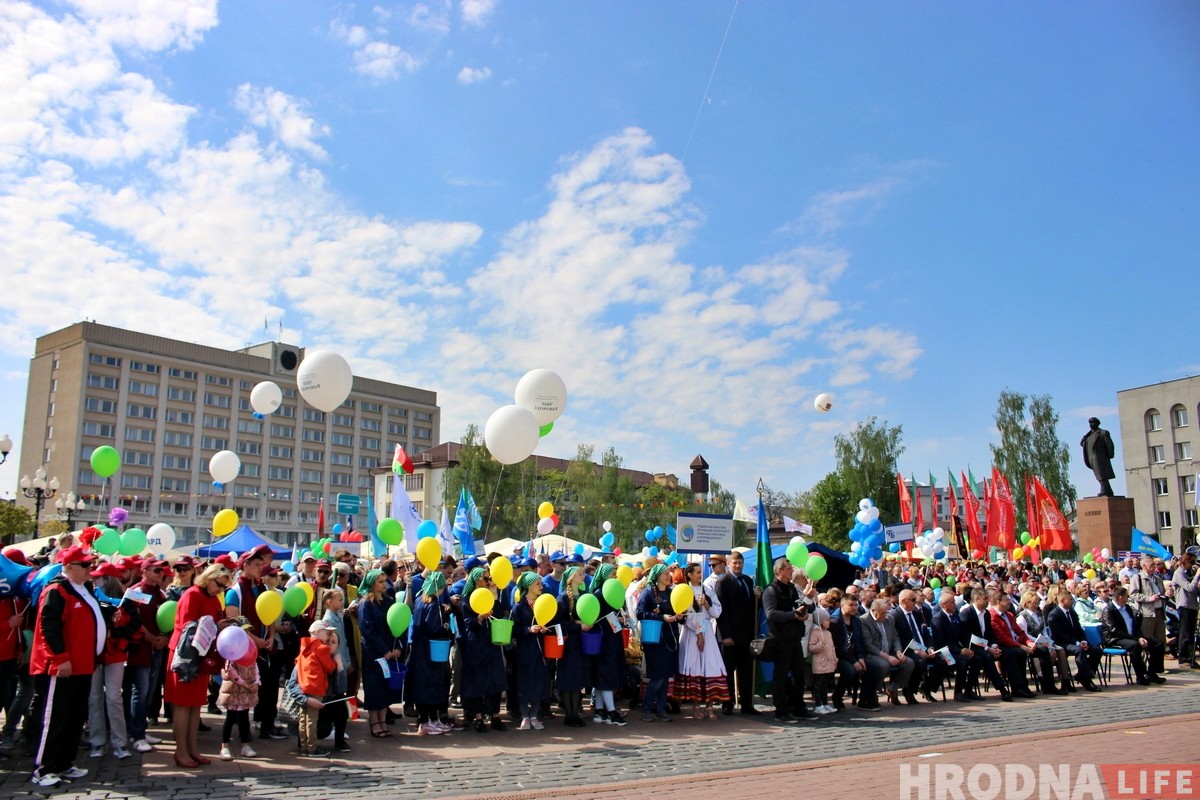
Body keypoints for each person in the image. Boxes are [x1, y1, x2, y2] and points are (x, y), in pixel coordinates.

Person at [29, 546, 106, 788]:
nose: (89, 570)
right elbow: (48, 627)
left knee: (74, 717)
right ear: (69, 567)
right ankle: (43, 767)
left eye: (90, 565)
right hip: (61, 666)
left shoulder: (84, 590)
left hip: (83, 665)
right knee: (56, 718)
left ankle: (64, 762)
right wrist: (61, 657)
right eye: (84, 566)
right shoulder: (57, 590)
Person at [165, 563, 235, 768]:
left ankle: (193, 749)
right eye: (218, 585)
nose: (220, 590)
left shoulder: (212, 598)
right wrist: (216, 626)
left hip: (202, 655)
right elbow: (188, 627)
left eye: (223, 587)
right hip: (186, 656)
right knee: (183, 704)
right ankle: (181, 751)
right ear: (208, 578)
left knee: (196, 704)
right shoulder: (192, 594)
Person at [125, 556, 168, 753]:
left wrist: (163, 638)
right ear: (144, 571)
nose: (161, 574)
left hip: (156, 648)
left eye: (161, 571)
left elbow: (167, 618)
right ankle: (137, 734)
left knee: (150, 690)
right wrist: (151, 638)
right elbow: (133, 620)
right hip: (140, 648)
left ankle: (142, 729)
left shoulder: (160, 593)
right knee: (139, 691)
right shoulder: (135, 592)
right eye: (156, 570)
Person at [675, 562, 729, 720]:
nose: (700, 574)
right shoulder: (684, 591)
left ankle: (710, 706)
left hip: (706, 629)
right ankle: (696, 706)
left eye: (701, 572)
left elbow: (717, 612)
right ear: (690, 574)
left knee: (711, 666)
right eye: (697, 572)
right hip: (692, 632)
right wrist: (698, 633)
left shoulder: (708, 590)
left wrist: (706, 604)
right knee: (694, 666)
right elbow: (686, 615)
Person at [356, 568, 403, 738]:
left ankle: (383, 720)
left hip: (390, 650)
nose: (384, 584)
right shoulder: (365, 604)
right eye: (380, 581)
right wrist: (384, 650)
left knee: (386, 687)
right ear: (372, 584)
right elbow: (367, 630)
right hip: (374, 653)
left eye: (385, 581)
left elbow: (397, 625)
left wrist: (397, 647)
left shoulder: (389, 601)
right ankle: (374, 722)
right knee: (374, 687)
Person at [460, 567, 508, 732]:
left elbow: (500, 614)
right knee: (477, 682)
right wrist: (480, 617)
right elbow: (468, 624)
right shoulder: (467, 599)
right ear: (476, 581)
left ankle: (494, 714)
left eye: (489, 578)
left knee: (495, 680)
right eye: (485, 579)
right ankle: (478, 716)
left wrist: (494, 596)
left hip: (492, 643)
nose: (488, 582)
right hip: (476, 645)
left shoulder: (491, 596)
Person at [762, 558, 810, 721]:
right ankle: (780, 709)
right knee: (781, 675)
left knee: (799, 674)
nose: (791, 572)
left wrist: (803, 611)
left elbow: (798, 604)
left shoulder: (792, 588)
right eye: (789, 569)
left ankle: (798, 706)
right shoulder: (771, 590)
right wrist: (793, 615)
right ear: (779, 571)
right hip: (780, 639)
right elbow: (771, 613)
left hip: (795, 637)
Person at [715, 551, 759, 715]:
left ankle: (747, 704)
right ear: (728, 564)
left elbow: (750, 608)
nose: (738, 566)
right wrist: (726, 635)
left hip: (746, 635)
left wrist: (757, 598)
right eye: (735, 563)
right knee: (728, 671)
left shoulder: (748, 580)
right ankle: (728, 704)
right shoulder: (723, 582)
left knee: (746, 671)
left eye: (740, 563)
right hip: (731, 636)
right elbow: (722, 612)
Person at [636, 563, 679, 723]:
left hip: (670, 638)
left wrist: (679, 617)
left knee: (666, 676)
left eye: (669, 573)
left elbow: (677, 612)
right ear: (657, 576)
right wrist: (661, 617)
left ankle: (661, 709)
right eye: (665, 574)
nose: (669, 576)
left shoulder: (671, 592)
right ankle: (647, 708)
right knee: (657, 677)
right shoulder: (648, 592)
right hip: (655, 640)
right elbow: (640, 613)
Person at [410, 571, 452, 735]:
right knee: (432, 684)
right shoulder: (433, 603)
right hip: (431, 649)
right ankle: (429, 721)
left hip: (419, 648)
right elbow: (434, 627)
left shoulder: (419, 600)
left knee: (422, 684)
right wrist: (446, 625)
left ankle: (426, 720)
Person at [588, 564, 628, 726]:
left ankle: (599, 711)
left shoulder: (615, 593)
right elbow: (595, 619)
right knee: (605, 674)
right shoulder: (598, 595)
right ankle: (612, 712)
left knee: (603, 675)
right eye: (612, 574)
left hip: (614, 637)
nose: (615, 577)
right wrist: (614, 620)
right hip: (603, 639)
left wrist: (623, 618)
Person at [1101, 585, 1165, 685]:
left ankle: (1152, 673)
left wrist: (1140, 637)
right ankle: (1140, 676)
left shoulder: (1127, 608)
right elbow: (1114, 631)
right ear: (1120, 597)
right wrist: (1136, 639)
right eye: (1126, 596)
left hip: (1132, 637)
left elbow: (1135, 625)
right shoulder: (1108, 610)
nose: (1128, 599)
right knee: (1135, 645)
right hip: (1116, 638)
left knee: (1158, 643)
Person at [511, 572, 549, 730]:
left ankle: (534, 714)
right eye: (538, 584)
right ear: (529, 587)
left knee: (538, 682)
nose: (541, 587)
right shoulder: (519, 607)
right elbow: (514, 630)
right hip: (524, 650)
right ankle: (524, 715)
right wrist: (528, 629)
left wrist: (546, 629)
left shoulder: (543, 602)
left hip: (540, 649)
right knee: (524, 683)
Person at [861, 597, 915, 706]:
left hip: (889, 652)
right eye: (882, 613)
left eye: (886, 612)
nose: (885, 616)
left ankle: (893, 688)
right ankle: (873, 692)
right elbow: (868, 645)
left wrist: (898, 651)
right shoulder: (864, 620)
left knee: (909, 663)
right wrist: (887, 657)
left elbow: (895, 637)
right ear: (873, 611)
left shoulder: (889, 619)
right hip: (873, 654)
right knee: (883, 665)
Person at [296, 619, 338, 757]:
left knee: (303, 719)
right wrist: (335, 662)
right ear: (318, 632)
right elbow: (329, 667)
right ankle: (312, 748)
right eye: (326, 633)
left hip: (303, 685)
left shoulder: (304, 646)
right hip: (316, 686)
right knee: (312, 721)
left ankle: (304, 747)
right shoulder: (321, 648)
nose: (327, 636)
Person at [830, 595, 880, 710]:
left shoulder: (856, 620)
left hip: (854, 655)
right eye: (851, 605)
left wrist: (860, 657)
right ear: (842, 605)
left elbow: (859, 642)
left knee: (873, 667)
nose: (854, 608)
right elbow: (838, 647)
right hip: (839, 656)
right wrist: (853, 661)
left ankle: (865, 699)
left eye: (856, 605)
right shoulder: (835, 621)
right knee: (850, 671)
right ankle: (837, 696)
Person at [555, 566, 590, 728]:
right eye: (579, 573)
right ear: (570, 578)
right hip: (569, 644)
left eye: (583, 573)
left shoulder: (584, 596)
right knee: (568, 679)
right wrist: (577, 625)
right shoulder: (563, 598)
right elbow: (558, 623)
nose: (582, 575)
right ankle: (569, 714)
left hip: (582, 642)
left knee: (577, 680)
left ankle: (575, 713)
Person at [317, 588, 352, 752]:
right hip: (332, 667)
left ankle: (339, 738)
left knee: (340, 705)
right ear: (329, 602)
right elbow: (331, 644)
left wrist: (346, 661)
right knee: (335, 704)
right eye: (339, 599)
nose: (342, 602)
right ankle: (332, 734)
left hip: (340, 663)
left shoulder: (338, 617)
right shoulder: (328, 620)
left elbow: (342, 642)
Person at [1046, 592, 1100, 692]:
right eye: (1070, 599)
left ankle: (1082, 674)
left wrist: (1083, 640)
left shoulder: (1071, 612)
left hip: (1075, 641)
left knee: (1097, 650)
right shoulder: (1054, 615)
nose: (1072, 601)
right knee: (1079, 651)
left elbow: (1079, 629)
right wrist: (1077, 643)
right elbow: (1059, 635)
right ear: (1062, 601)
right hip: (1062, 643)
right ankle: (1087, 680)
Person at [217, 649, 259, 760]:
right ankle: (224, 746)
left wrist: (256, 682)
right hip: (233, 691)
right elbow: (230, 671)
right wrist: (243, 683)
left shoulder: (250, 653)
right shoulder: (231, 655)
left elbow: (255, 668)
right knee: (230, 719)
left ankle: (245, 745)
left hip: (245, 693)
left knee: (244, 719)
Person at [1129, 556, 1168, 675]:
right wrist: (1149, 598)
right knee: (1147, 642)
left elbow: (1161, 592)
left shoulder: (1157, 579)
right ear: (1144, 566)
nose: (1154, 567)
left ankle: (1156, 669)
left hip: (1159, 612)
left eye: (1155, 565)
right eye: (1151, 565)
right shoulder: (1138, 578)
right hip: (1146, 614)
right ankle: (1144, 669)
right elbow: (1133, 594)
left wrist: (1164, 596)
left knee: (1160, 642)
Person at [807, 607, 837, 714]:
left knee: (826, 686)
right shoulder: (815, 632)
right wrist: (819, 646)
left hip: (829, 663)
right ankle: (818, 705)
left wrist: (834, 659)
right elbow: (811, 647)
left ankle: (825, 703)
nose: (829, 622)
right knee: (818, 686)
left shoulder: (828, 633)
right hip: (820, 664)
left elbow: (832, 648)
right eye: (827, 620)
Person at [1172, 551, 1198, 667]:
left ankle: (1190, 658)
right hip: (1184, 605)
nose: (1192, 565)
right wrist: (1197, 576)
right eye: (1191, 562)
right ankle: (1183, 659)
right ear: (1185, 561)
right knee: (1185, 633)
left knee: (1192, 633)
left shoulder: (1189, 572)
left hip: (1192, 605)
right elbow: (1189, 588)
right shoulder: (1179, 573)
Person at [1080, 417, 1116, 497]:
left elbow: (1110, 445)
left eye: (1093, 423)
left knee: (1101, 475)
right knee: (1099, 475)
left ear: (1097, 424)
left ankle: (1104, 491)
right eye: (1090, 423)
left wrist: (1110, 454)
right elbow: (1083, 444)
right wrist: (1084, 438)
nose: (1091, 424)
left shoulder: (1103, 433)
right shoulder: (1089, 436)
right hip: (1091, 459)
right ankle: (1108, 491)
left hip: (1101, 458)